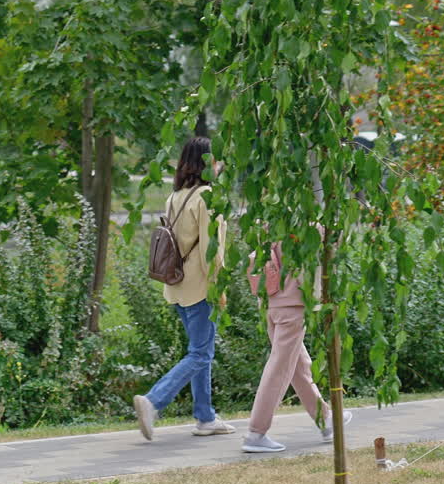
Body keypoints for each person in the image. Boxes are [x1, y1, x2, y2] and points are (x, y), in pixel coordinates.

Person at [132, 136, 235, 441]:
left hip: (177, 286)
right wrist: (219, 287)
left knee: (200, 350)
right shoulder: (207, 198)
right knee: (201, 354)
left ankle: (205, 417)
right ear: (207, 163)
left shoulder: (176, 196)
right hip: (200, 287)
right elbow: (211, 250)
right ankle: (153, 401)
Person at [241, 238, 352, 453]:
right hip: (292, 304)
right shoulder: (307, 222)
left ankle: (326, 420)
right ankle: (256, 433)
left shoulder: (269, 217)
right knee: (279, 368)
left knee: (299, 367)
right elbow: (334, 240)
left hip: (271, 301)